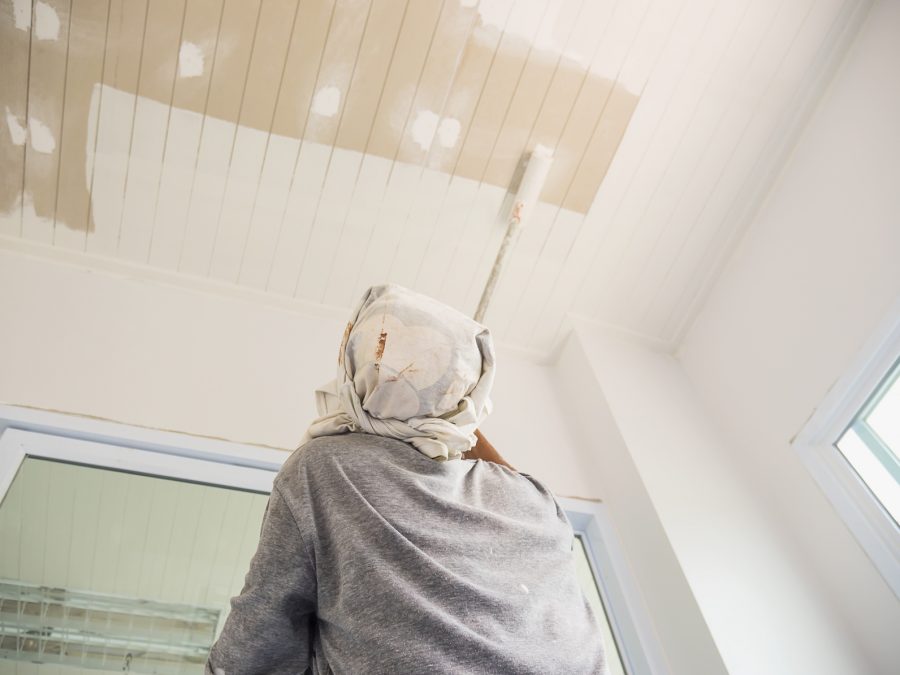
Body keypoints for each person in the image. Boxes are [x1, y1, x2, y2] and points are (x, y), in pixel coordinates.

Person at [205, 284, 606, 674]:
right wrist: (457, 414)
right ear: (473, 393)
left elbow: (256, 648)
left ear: (351, 364)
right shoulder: (534, 499)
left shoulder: (325, 467)